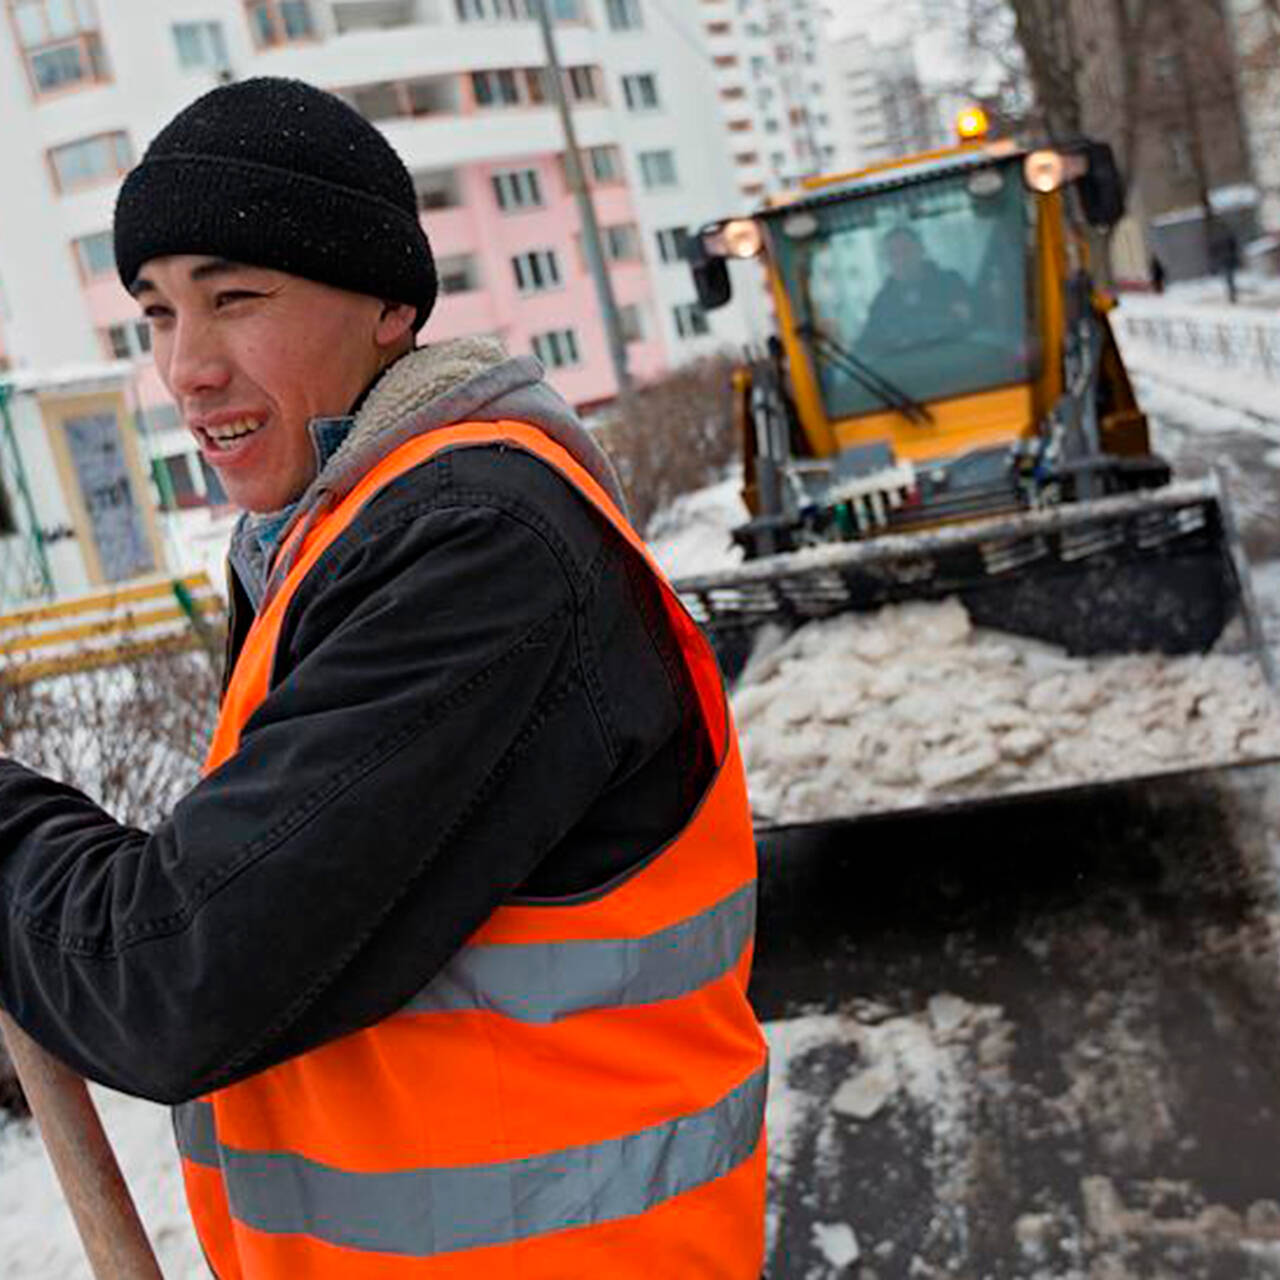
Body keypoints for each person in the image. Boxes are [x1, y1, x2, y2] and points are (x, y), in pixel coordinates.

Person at [0, 78, 767, 1278]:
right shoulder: (334, 537)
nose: (186, 366)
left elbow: (176, 971)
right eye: (154, 314)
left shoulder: (478, 549)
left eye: (236, 298)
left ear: (389, 307)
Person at [859, 224, 972, 353]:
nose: (900, 260)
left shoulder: (950, 282)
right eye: (893, 254)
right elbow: (866, 347)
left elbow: (970, 323)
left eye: (906, 251)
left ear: (921, 250)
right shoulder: (882, 301)